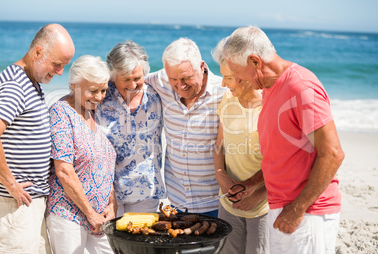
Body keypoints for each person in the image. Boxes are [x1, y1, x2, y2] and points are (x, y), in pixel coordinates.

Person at [223, 26, 345, 253]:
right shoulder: (269, 87)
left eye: (238, 72)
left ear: (255, 61)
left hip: (307, 213)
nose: (237, 79)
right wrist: (252, 184)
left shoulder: (301, 87)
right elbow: (281, 155)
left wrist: (298, 209)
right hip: (280, 208)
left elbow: (333, 154)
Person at [0, 23, 74, 253]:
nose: (60, 72)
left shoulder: (31, 81)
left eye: (64, 66)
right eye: (57, 64)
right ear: (38, 52)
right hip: (14, 207)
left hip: (25, 206)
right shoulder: (15, 86)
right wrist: (11, 185)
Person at [145, 38, 225, 217]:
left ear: (202, 66)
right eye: (173, 79)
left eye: (186, 78)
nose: (180, 86)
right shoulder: (160, 81)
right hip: (177, 201)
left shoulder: (225, 91)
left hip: (216, 202)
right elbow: (128, 79)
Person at [45, 55, 116, 253]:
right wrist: (90, 213)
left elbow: (103, 164)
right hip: (69, 212)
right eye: (92, 91)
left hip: (99, 216)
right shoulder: (61, 112)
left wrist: (112, 202)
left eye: (103, 90)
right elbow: (64, 170)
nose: (100, 97)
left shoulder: (92, 112)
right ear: (73, 84)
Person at [212, 37, 269, 253]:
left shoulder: (269, 106)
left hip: (263, 205)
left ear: (245, 75)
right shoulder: (228, 100)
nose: (223, 84)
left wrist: (258, 194)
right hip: (229, 202)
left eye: (228, 77)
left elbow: (283, 161)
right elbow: (220, 145)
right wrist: (220, 175)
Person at [97, 40, 166, 217]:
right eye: (126, 80)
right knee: (109, 244)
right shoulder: (100, 98)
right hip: (109, 191)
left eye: (137, 78)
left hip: (146, 190)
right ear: (112, 76)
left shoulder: (156, 94)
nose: (133, 85)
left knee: (140, 243)